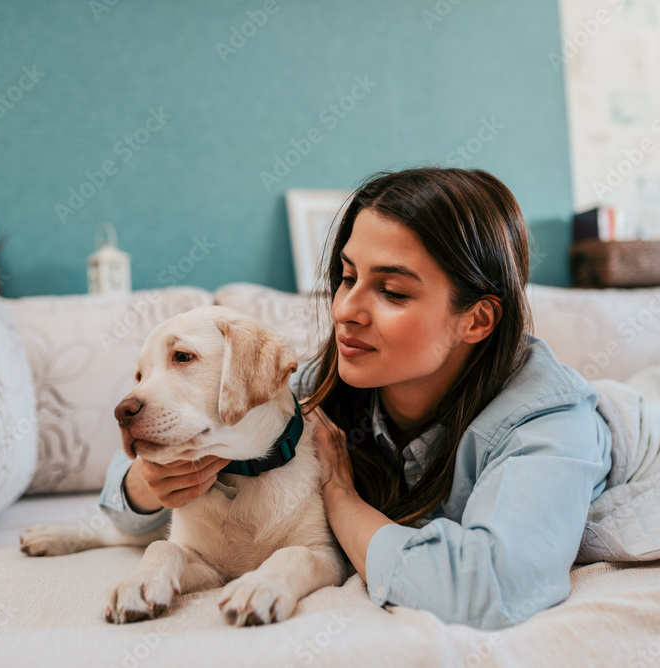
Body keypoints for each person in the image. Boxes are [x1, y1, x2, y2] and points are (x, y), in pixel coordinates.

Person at [98, 167, 612, 630]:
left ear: (476, 319)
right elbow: (124, 508)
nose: (346, 310)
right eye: (347, 277)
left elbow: (493, 587)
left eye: (392, 291)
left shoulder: (547, 419)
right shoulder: (324, 385)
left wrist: (341, 500)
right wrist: (151, 480)